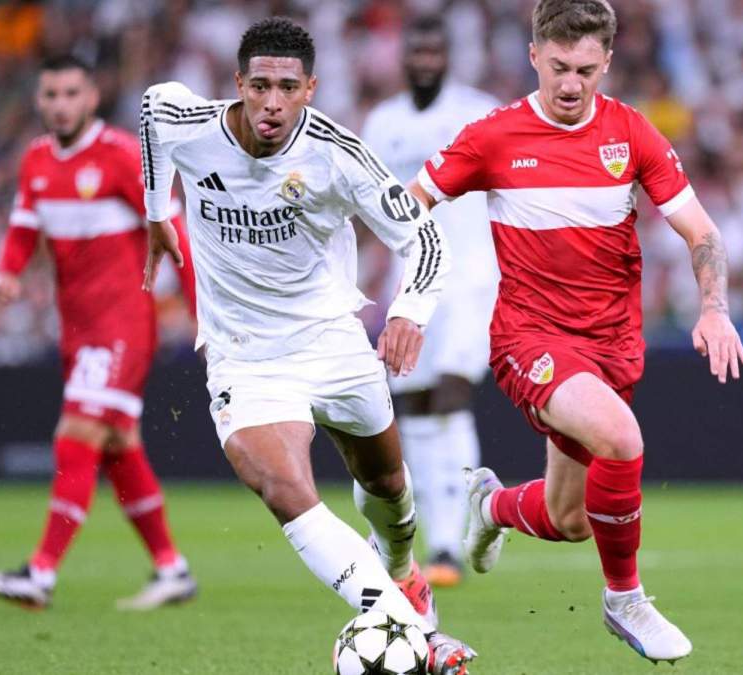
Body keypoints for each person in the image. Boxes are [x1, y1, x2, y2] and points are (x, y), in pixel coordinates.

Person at [408, 0, 743, 665]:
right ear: (534, 55)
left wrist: (715, 307)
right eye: (558, 67)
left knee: (569, 518)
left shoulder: (633, 135)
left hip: (611, 345)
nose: (571, 84)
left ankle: (493, 505)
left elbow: (701, 232)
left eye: (586, 70)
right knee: (622, 438)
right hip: (527, 337)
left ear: (607, 63)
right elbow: (409, 205)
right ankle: (625, 598)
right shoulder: (493, 136)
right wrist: (409, 300)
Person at [138, 18, 475, 674]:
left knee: (390, 495)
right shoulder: (193, 124)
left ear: (310, 90)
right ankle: (416, 635)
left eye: (287, 87)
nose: (271, 101)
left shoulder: (337, 154)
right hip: (244, 355)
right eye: (259, 85)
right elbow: (153, 109)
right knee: (282, 484)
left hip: (333, 343)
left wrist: (409, 310)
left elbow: (426, 239)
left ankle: (405, 575)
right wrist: (158, 212)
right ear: (238, 83)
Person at [0, 56, 198, 611]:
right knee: (118, 445)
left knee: (75, 434)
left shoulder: (123, 156)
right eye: (50, 93)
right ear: (39, 100)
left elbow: (175, 235)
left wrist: (203, 313)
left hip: (123, 324)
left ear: (91, 97)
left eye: (71, 92)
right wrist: (7, 271)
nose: (60, 104)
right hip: (76, 328)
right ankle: (173, 569)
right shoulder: (36, 161)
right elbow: (25, 225)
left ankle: (40, 574)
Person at [360, 15, 501, 588]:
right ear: (404, 58)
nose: (424, 60)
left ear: (447, 56)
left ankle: (458, 533)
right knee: (414, 404)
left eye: (433, 51)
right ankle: (440, 540)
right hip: (410, 283)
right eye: (415, 51)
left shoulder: (479, 112)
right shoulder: (382, 122)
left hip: (472, 277)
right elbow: (368, 204)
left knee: (450, 393)